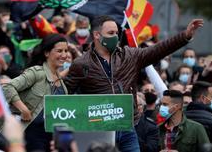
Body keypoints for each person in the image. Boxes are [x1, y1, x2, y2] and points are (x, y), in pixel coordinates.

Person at [64, 15, 203, 152]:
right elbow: (64, 94)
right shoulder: (81, 64)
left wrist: (185, 35)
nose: (115, 37)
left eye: (117, 33)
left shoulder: (130, 56)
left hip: (127, 126)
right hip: (99, 128)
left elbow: (159, 49)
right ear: (97, 35)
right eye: (110, 33)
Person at [2, 34, 68, 152]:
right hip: (32, 136)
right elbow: (7, 87)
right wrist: (24, 109)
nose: (64, 55)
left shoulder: (62, 83)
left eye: (66, 51)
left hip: (52, 138)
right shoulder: (37, 73)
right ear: (47, 53)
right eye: (59, 51)